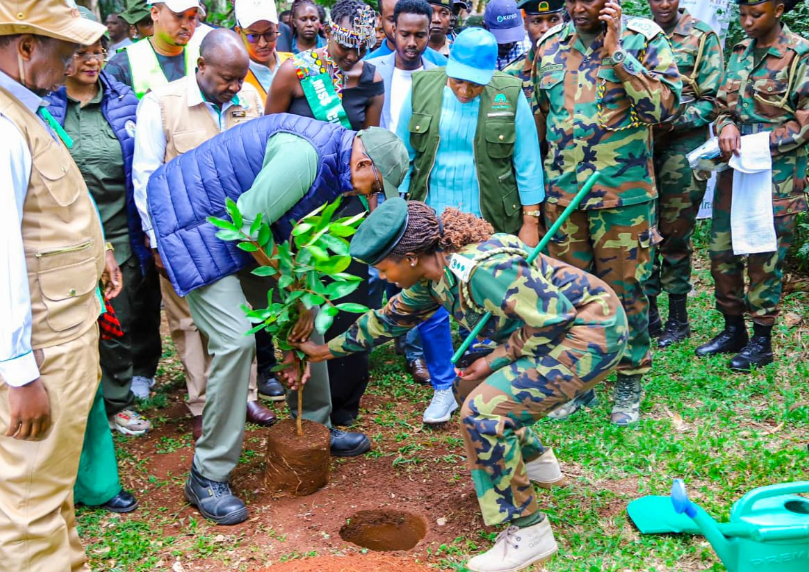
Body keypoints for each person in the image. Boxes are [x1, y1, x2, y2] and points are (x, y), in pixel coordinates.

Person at [296, 199, 629, 572]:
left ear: (407, 257)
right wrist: (322, 351)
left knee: (483, 414)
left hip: (590, 333)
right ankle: (536, 463)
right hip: (551, 331)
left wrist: (496, 357)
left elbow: (555, 319)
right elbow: (387, 321)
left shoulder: (483, 269)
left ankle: (528, 531)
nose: (383, 277)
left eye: (383, 267)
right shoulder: (434, 276)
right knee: (467, 391)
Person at [145, 114, 407, 523]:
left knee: (310, 313)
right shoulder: (305, 157)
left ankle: (314, 426)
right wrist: (291, 291)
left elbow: (286, 228)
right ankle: (207, 475)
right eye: (375, 188)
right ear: (363, 164)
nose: (372, 200)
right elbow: (246, 225)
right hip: (197, 222)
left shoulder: (335, 164)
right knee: (236, 341)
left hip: (243, 221)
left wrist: (301, 300)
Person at [533, 0, 682, 425]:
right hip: (565, 197)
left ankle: (629, 382)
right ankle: (580, 385)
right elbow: (543, 117)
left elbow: (665, 109)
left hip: (623, 196)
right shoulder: (547, 46)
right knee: (569, 295)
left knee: (626, 292)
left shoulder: (645, 39)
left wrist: (618, 53)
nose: (579, 8)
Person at [0, 1, 111, 569]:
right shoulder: (3, 126)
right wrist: (20, 374)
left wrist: (100, 254)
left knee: (51, 490)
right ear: (24, 49)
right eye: (63, 49)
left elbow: (47, 215)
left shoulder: (26, 110)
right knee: (29, 509)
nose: (74, 60)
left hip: (61, 331)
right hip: (39, 349)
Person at [133, 29, 277, 437]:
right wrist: (156, 239)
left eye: (239, 78)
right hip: (183, 234)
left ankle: (245, 395)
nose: (234, 88)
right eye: (226, 79)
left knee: (243, 315)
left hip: (238, 231)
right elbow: (145, 176)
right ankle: (202, 403)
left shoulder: (248, 100)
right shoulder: (160, 105)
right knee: (188, 320)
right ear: (201, 66)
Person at [268, 0, 384, 425]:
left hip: (347, 210)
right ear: (328, 29)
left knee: (351, 305)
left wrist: (372, 214)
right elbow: (269, 137)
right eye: (345, 44)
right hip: (300, 209)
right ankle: (306, 407)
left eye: (362, 48)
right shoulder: (295, 73)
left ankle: (345, 407)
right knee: (306, 306)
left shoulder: (371, 79)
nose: (352, 56)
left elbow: (369, 149)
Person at [47, 8, 158, 440]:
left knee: (119, 319)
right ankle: (81, 403)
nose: (92, 61)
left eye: (99, 52)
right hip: (66, 236)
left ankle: (119, 401)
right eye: (81, 53)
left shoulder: (124, 100)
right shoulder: (45, 107)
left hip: (119, 230)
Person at [696, 0, 809, 371]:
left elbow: (804, 124)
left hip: (775, 177)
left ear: (778, 9)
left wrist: (756, 143)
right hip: (735, 172)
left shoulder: (800, 55)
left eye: (755, 14)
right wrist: (727, 124)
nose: (746, 22)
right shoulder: (741, 51)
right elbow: (725, 103)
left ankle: (762, 340)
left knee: (765, 257)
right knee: (721, 251)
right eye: (742, 13)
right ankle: (733, 330)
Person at [366, 0, 458, 424]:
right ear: (392, 30)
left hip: (428, 193)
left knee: (426, 278)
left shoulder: (443, 68)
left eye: (420, 34)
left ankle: (425, 358)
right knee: (378, 272)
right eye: (404, 33)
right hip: (381, 187)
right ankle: (374, 344)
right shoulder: (373, 69)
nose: (412, 42)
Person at [397, 27, 544, 248]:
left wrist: (530, 222)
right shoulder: (421, 88)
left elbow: (528, 162)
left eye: (475, 84)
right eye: (458, 81)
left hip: (490, 218)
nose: (465, 91)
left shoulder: (509, 94)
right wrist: (399, 210)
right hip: (430, 215)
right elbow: (402, 155)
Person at [644, 0, 724, 348]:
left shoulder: (701, 36)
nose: (663, 3)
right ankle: (648, 314)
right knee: (642, 232)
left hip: (681, 147)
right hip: (642, 147)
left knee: (675, 234)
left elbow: (712, 101)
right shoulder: (639, 35)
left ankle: (678, 318)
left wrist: (673, 120)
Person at [106, 0, 199, 97]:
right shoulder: (121, 65)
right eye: (179, 16)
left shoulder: (204, 56)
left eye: (192, 17)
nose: (186, 25)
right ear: (155, 13)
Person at [502, 0, 565, 104]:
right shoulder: (511, 76)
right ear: (526, 24)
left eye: (553, 19)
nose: (546, 29)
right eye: (537, 21)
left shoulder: (582, 64)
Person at [235, 0, 293, 105]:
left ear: (277, 28)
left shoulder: (295, 63)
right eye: (253, 36)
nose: (262, 44)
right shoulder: (234, 76)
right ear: (239, 32)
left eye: (269, 34)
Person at [366, 0, 448, 65]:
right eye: (393, 19)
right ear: (380, 19)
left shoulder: (440, 63)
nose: (401, 26)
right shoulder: (367, 66)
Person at [484, 0, 531, 71]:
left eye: (515, 36)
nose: (510, 44)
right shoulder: (478, 56)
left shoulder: (528, 49)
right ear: (485, 27)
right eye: (502, 38)